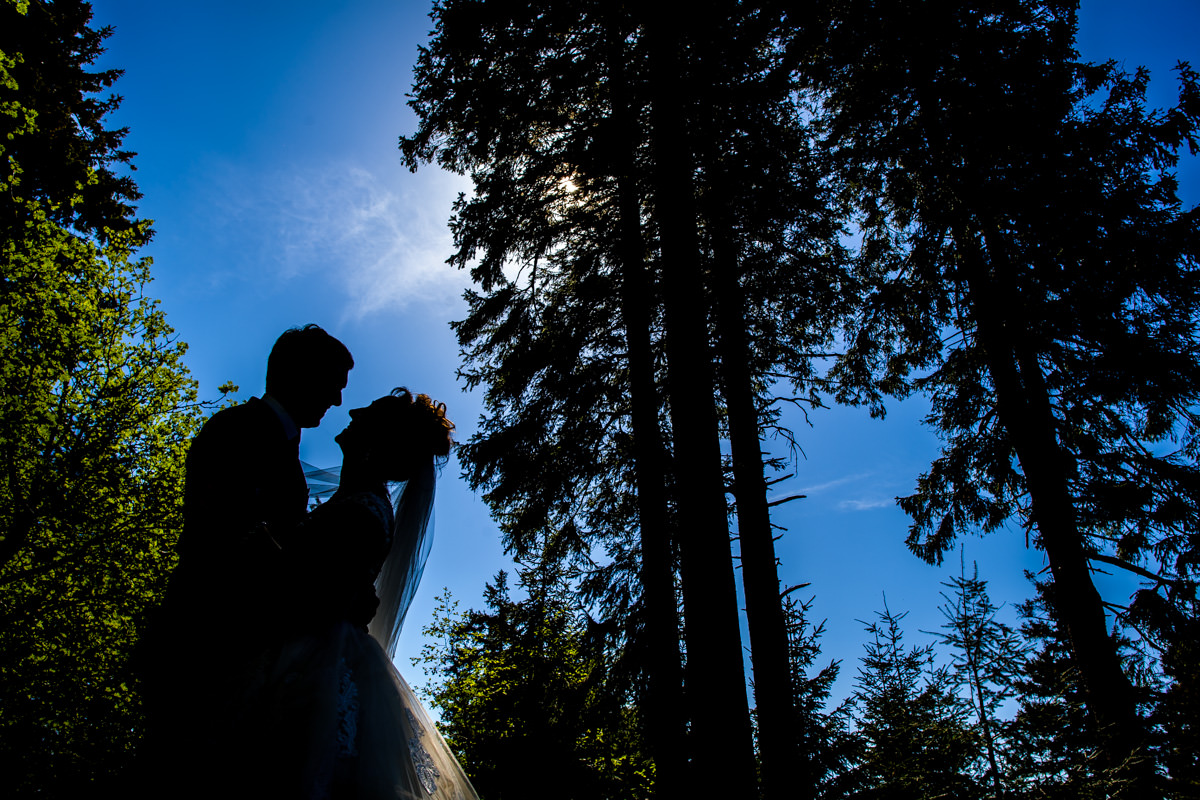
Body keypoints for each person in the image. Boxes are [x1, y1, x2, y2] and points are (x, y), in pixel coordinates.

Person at [139, 324, 353, 790]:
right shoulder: (238, 429)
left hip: (241, 648)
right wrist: (316, 592)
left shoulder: (280, 444)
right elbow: (229, 531)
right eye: (333, 384)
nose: (337, 401)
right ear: (299, 373)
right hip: (205, 637)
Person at [245, 388, 478, 799]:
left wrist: (260, 547)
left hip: (311, 667)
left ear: (377, 443)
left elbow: (310, 597)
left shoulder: (364, 512)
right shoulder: (355, 501)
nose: (352, 410)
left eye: (367, 414)